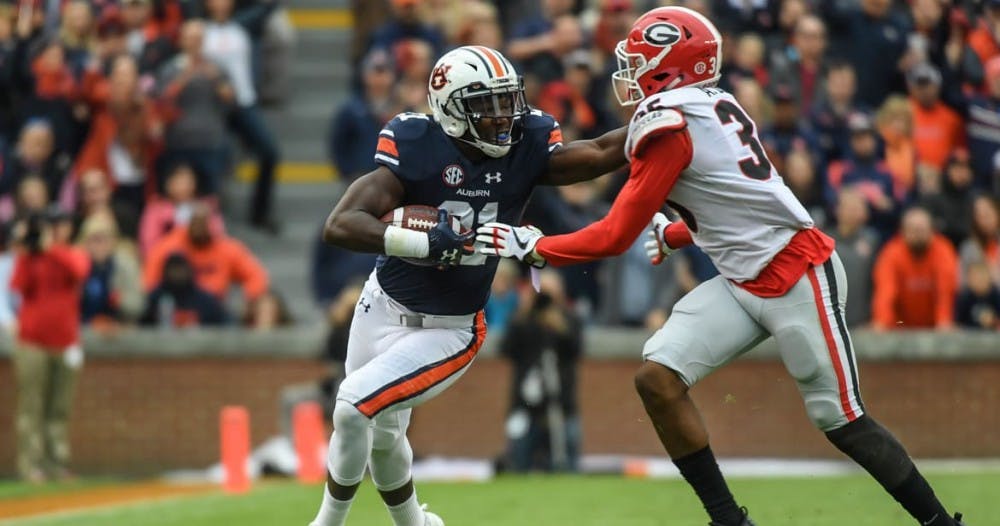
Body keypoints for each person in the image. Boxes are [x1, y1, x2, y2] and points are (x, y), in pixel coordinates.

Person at [477, 8, 966, 526]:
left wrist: (537, 247)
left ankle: (941, 524)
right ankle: (728, 521)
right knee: (657, 379)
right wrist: (680, 231)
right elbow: (741, 200)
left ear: (670, 66)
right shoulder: (711, 103)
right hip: (741, 278)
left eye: (640, 60)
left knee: (841, 420)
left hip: (795, 274)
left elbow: (616, 234)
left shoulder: (670, 123)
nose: (630, 71)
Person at [309, 45, 626, 526]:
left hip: (451, 327)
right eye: (486, 105)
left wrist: (659, 120)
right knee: (385, 431)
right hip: (382, 303)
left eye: (506, 101)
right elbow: (340, 223)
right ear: (451, 110)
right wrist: (422, 244)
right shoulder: (416, 142)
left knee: (353, 407)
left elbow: (601, 151)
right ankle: (415, 523)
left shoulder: (527, 144)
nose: (503, 118)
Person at [10, 210, 90, 483]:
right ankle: (30, 465)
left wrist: (51, 249)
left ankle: (58, 463)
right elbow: (18, 286)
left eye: (61, 225)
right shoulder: (30, 257)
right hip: (32, 341)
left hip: (65, 342)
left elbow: (79, 271)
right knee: (31, 406)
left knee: (59, 408)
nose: (57, 230)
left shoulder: (72, 253)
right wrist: (28, 251)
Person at [872, 206, 959, 331]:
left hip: (934, 328)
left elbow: (945, 291)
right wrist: (882, 322)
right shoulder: (891, 253)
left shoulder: (943, 251)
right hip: (900, 328)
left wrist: (944, 321)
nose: (918, 235)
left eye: (922, 230)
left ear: (932, 230)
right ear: (902, 231)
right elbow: (885, 293)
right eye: (913, 230)